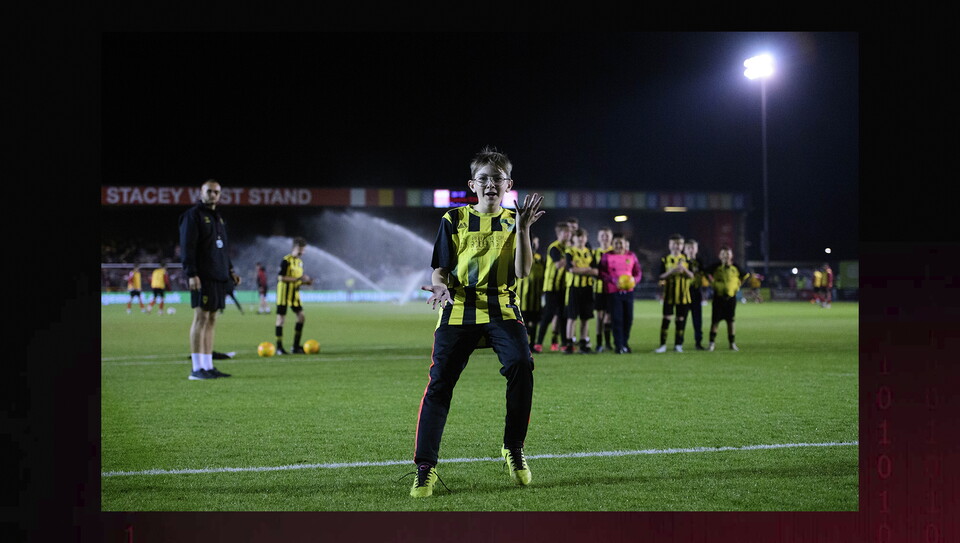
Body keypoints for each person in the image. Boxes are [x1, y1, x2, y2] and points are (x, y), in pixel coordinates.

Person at [411, 146, 544, 498]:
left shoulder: (513, 221)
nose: (490, 185)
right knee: (440, 385)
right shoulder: (453, 220)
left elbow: (523, 271)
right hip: (458, 307)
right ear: (473, 184)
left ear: (508, 184)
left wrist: (524, 229)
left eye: (497, 179)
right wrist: (440, 288)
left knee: (521, 365)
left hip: (501, 306)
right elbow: (439, 270)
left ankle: (513, 448)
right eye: (483, 179)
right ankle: (425, 468)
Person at [179, 179, 241, 380]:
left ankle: (208, 365)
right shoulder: (193, 216)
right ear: (201, 193)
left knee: (212, 319)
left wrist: (230, 270)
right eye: (209, 191)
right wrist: (191, 273)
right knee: (201, 318)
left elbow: (222, 248)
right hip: (202, 276)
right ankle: (197, 369)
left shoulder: (218, 218)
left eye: (216, 192)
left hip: (219, 276)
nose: (213, 195)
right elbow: (187, 247)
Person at [598, 234, 642, 354]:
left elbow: (638, 272)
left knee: (628, 318)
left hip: (628, 292)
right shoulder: (607, 256)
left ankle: (625, 343)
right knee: (617, 319)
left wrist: (634, 280)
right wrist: (613, 281)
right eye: (616, 243)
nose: (618, 245)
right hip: (613, 292)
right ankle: (618, 345)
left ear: (625, 243)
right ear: (613, 244)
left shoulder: (631, 255)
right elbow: (601, 273)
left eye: (620, 242)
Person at [533, 221, 572, 352]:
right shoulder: (554, 248)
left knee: (563, 316)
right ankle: (538, 343)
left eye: (569, 232)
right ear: (559, 233)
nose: (568, 234)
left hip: (563, 287)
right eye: (565, 232)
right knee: (548, 315)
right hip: (551, 287)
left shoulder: (568, 247)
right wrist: (570, 258)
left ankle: (565, 344)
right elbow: (558, 265)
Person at [705, 245, 752, 351]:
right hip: (718, 297)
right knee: (715, 321)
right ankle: (711, 343)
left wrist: (738, 285)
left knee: (730, 321)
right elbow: (706, 272)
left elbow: (745, 275)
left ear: (731, 255)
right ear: (719, 255)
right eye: (723, 254)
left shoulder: (735, 266)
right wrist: (712, 283)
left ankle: (732, 343)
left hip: (731, 298)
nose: (725, 256)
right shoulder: (715, 266)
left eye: (727, 254)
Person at [654, 233, 693, 353]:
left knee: (681, 320)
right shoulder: (665, 259)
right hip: (669, 295)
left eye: (680, 243)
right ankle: (662, 345)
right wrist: (672, 270)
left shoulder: (687, 260)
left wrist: (684, 269)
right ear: (670, 245)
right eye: (675, 243)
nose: (677, 246)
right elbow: (660, 276)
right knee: (666, 319)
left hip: (683, 296)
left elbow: (692, 276)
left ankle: (678, 344)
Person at [275, 237, 314, 355]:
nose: (302, 252)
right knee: (281, 319)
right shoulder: (286, 260)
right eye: (300, 249)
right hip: (283, 293)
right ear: (294, 248)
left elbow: (298, 279)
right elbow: (281, 277)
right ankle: (279, 347)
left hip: (294, 294)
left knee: (301, 317)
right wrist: (298, 279)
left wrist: (306, 282)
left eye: (303, 250)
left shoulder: (300, 263)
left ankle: (295, 346)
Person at [562, 228, 597, 354]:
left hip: (587, 288)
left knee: (585, 318)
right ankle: (569, 344)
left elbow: (596, 271)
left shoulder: (590, 252)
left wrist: (580, 269)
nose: (581, 239)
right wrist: (588, 269)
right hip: (574, 288)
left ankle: (583, 344)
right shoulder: (570, 251)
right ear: (574, 239)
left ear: (586, 238)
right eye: (578, 237)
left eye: (583, 237)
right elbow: (571, 270)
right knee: (571, 317)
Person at [514, 235, 545, 352]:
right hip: (522, 297)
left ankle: (532, 344)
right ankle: (523, 345)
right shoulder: (519, 255)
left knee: (535, 322)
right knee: (523, 322)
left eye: (535, 243)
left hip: (535, 297)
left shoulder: (540, 258)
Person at [593, 227, 614, 352]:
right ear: (598, 238)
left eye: (607, 235)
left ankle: (608, 342)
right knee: (600, 317)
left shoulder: (614, 253)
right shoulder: (594, 252)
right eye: (602, 235)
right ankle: (600, 343)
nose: (605, 238)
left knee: (609, 317)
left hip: (611, 290)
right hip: (598, 289)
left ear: (611, 238)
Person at [683, 239, 706, 350]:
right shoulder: (681, 261)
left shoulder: (700, 262)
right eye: (688, 248)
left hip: (696, 293)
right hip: (683, 293)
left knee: (697, 320)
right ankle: (679, 343)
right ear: (684, 249)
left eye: (693, 248)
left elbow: (701, 275)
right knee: (682, 319)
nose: (691, 250)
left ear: (696, 249)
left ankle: (698, 342)